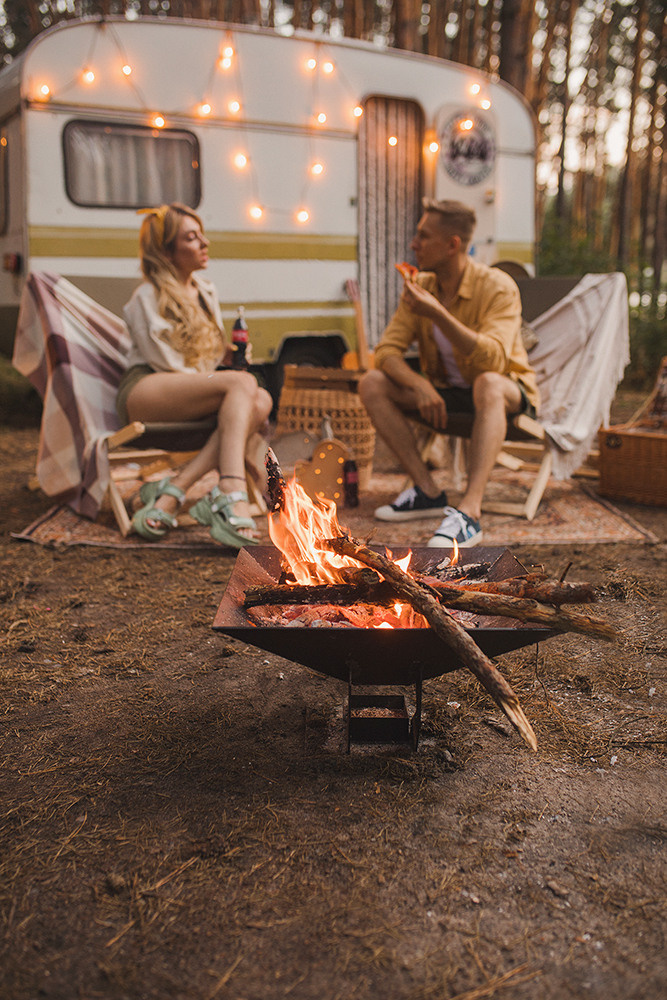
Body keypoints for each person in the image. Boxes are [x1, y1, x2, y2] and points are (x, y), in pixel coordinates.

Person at [358, 199, 539, 547]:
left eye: (423, 236)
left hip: (505, 394)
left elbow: (494, 360)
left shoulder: (498, 286)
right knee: (372, 383)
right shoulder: (420, 286)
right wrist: (419, 385)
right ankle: (427, 490)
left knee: (488, 383)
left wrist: (439, 314)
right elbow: (386, 352)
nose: (414, 244)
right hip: (447, 394)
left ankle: (470, 512)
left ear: (452, 244)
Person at [117, 202, 273, 547]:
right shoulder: (147, 295)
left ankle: (174, 491)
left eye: (201, 235)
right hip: (147, 388)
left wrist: (222, 359)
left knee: (261, 399)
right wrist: (221, 384)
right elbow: (164, 360)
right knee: (244, 384)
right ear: (166, 251)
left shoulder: (205, 290)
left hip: (188, 391)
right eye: (191, 238)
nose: (204, 243)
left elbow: (205, 357)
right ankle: (230, 489)